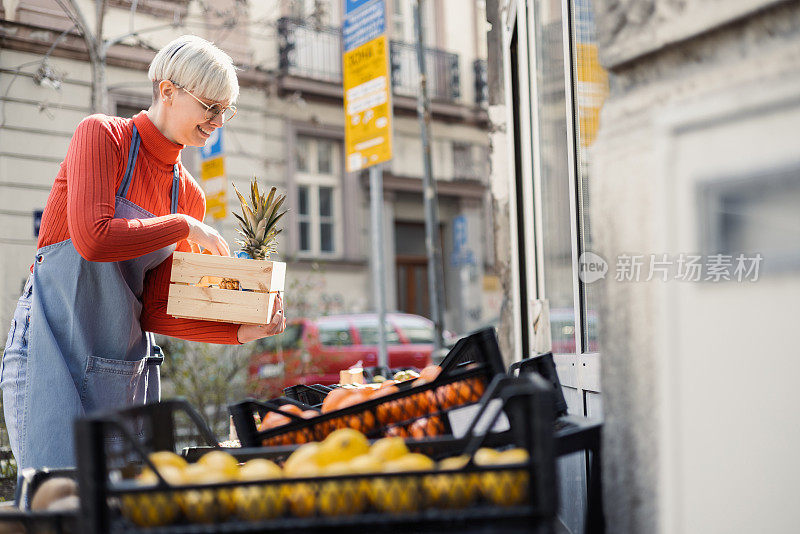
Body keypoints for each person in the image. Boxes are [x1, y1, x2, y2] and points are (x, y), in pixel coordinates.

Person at [0, 35, 285, 471]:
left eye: (225, 110)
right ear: (167, 91)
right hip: (50, 354)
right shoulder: (102, 137)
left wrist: (239, 332)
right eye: (210, 106)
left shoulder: (188, 194)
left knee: (122, 511)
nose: (217, 120)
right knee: (55, 504)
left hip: (120, 370)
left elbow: (154, 308)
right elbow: (94, 239)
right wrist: (183, 226)